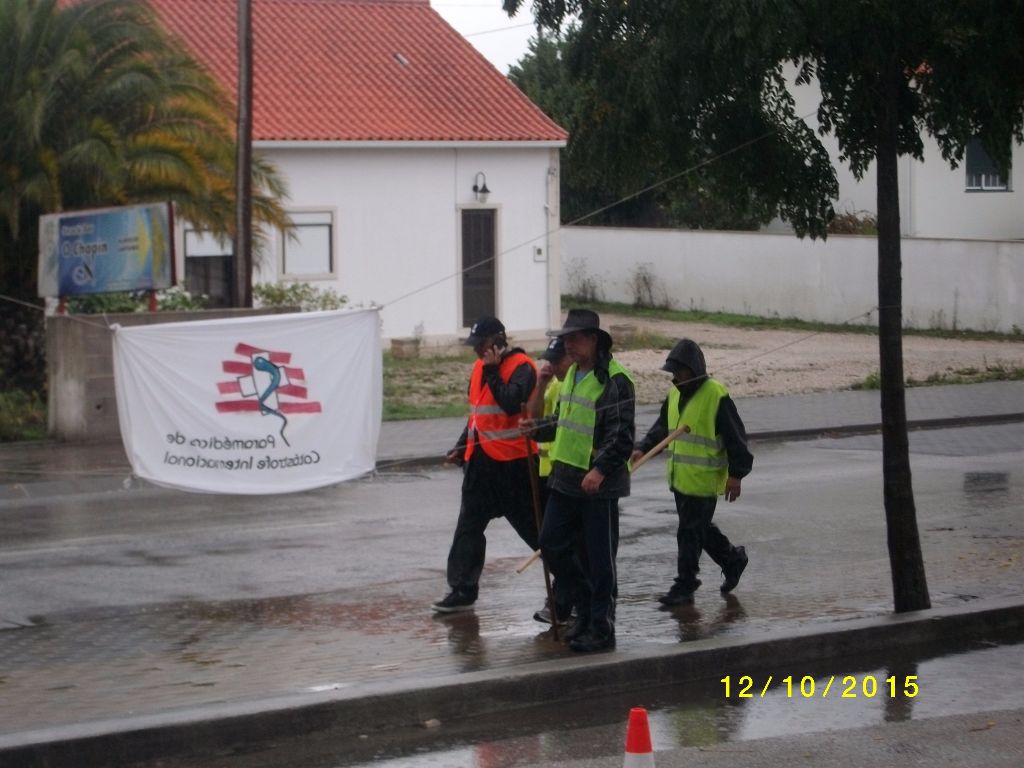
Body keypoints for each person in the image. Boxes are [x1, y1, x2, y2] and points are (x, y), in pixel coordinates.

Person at [522, 309, 635, 652]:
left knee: (599, 559)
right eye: (566, 339)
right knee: (551, 543)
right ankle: (585, 608)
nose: (567, 344)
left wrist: (599, 470)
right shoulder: (572, 374)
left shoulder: (615, 380)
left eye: (574, 338)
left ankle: (600, 628)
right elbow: (564, 422)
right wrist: (537, 428)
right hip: (566, 478)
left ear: (594, 339)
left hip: (597, 484)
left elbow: (621, 436)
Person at [631, 338, 752, 606]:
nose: (676, 377)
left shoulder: (716, 395)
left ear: (694, 370)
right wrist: (643, 447)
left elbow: (736, 437)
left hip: (704, 479)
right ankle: (733, 559)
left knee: (688, 532)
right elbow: (662, 427)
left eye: (680, 371)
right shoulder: (675, 394)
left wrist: (737, 474)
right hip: (681, 478)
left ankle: (685, 585)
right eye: (673, 372)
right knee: (698, 530)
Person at [432, 316, 540, 613]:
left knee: (536, 530)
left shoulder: (522, 367)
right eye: (475, 345)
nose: (478, 350)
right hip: (480, 464)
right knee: (468, 528)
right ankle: (462, 589)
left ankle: (573, 584)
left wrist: (493, 370)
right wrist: (461, 445)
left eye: (482, 344)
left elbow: (510, 403)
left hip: (514, 465)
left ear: (499, 341)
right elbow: (478, 415)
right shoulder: (479, 368)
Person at [527, 336, 573, 626]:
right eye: (549, 361)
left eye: (557, 361)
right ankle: (562, 599)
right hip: (549, 470)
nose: (553, 366)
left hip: (571, 472)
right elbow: (534, 419)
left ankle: (564, 600)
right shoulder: (555, 385)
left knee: (566, 543)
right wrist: (541, 384)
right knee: (552, 541)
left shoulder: (575, 386)